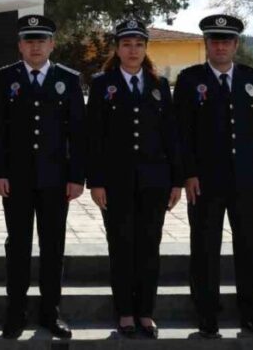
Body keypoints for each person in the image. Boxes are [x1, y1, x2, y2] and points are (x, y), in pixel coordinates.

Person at [175, 14, 253, 339]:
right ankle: (207, 316)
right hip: (205, 182)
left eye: (227, 41)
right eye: (214, 40)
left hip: (247, 181)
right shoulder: (191, 80)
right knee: (205, 250)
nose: (220, 46)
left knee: (251, 249)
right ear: (206, 44)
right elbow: (182, 134)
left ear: (235, 44)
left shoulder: (250, 79)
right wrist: (188, 174)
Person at [0, 14, 85, 340]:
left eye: (41, 40)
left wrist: (76, 177)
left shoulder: (68, 79)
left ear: (52, 44)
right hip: (16, 180)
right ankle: (15, 312)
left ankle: (50, 313)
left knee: (52, 248)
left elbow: (78, 134)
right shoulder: (6, 78)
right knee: (17, 247)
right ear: (20, 45)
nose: (35, 46)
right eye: (29, 40)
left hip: (56, 181)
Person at [86, 18, 183, 339]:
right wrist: (96, 181)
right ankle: (125, 312)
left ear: (146, 48)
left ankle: (146, 312)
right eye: (126, 44)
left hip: (154, 181)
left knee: (149, 247)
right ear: (117, 48)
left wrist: (176, 181)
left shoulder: (158, 86)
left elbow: (172, 135)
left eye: (139, 44)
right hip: (116, 183)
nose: (133, 50)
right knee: (122, 246)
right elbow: (94, 138)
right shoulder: (102, 85)